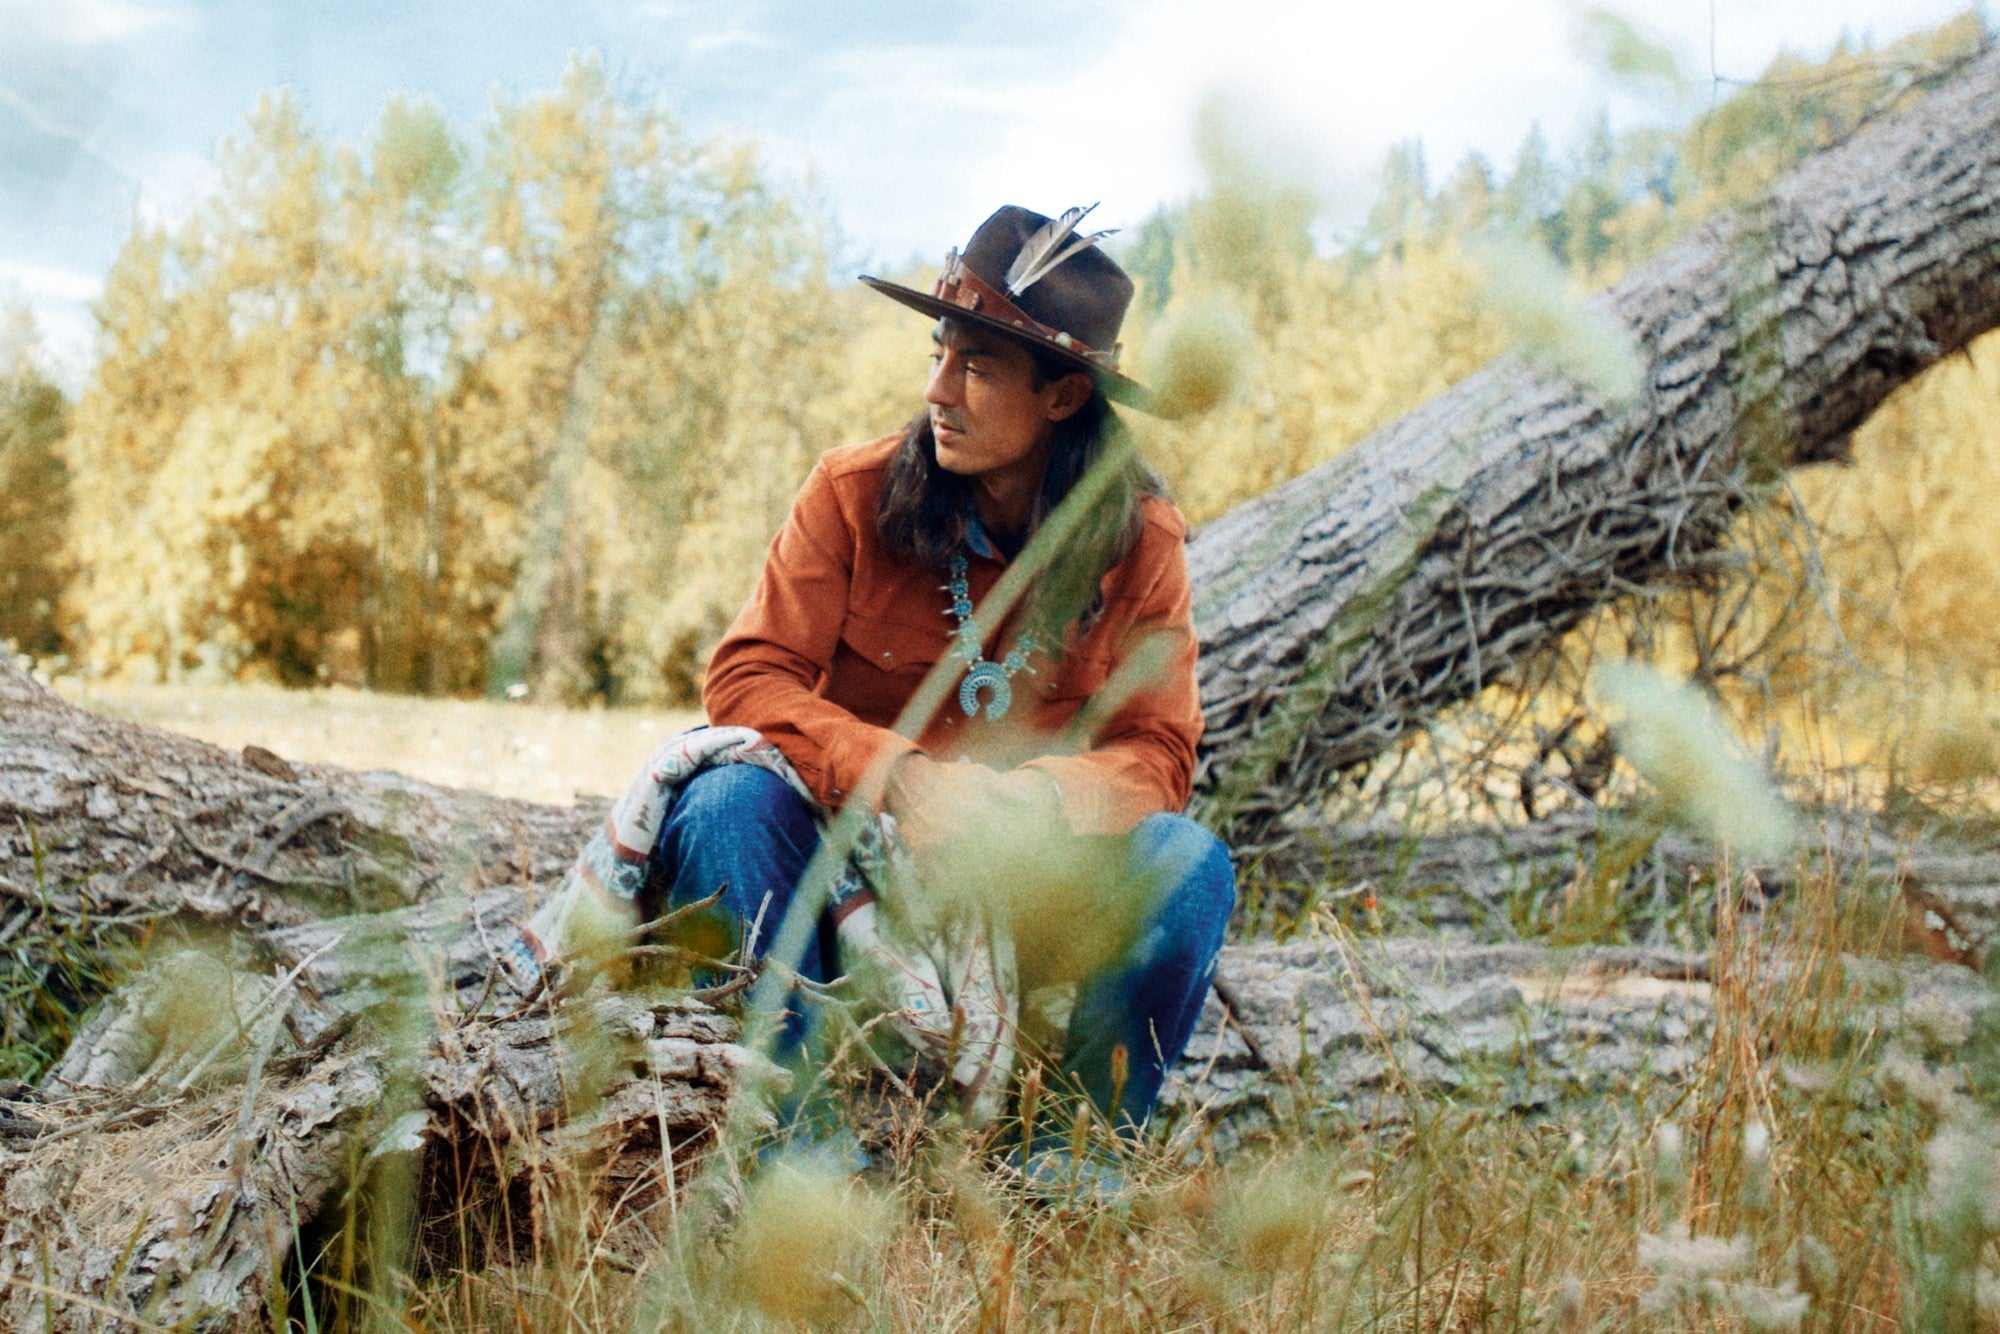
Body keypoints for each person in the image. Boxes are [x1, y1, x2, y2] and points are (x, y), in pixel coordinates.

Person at [655, 204, 1235, 1145]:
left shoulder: (1140, 541)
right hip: (833, 865)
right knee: (722, 801)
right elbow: (749, 678)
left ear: (1063, 399)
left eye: (977, 366)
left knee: (1188, 864)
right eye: (937, 354)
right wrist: (902, 780)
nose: (938, 390)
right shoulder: (850, 493)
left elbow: (1158, 751)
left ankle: (1070, 1159)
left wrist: (1027, 808)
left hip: (1011, 883)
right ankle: (797, 1149)